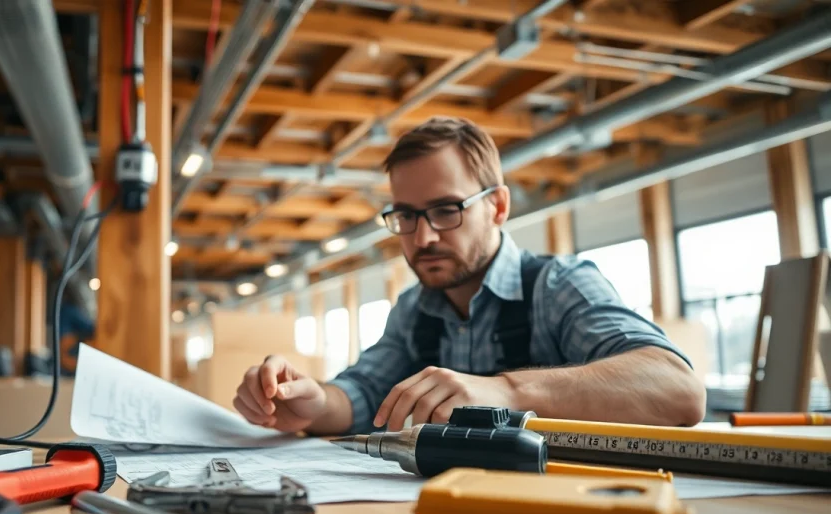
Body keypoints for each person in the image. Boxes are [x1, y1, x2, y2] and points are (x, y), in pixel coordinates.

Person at [233, 116, 706, 435]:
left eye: (446, 210)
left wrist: (505, 390)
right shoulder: (414, 309)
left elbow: (678, 389)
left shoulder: (557, 286)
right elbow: (364, 393)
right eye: (406, 216)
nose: (422, 238)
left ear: (497, 206)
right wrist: (313, 402)